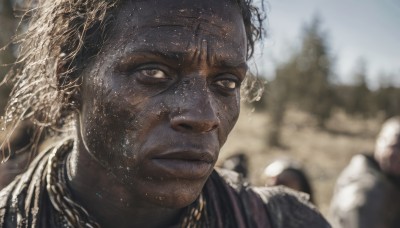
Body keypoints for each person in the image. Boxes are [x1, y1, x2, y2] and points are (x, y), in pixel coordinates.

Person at [0, 0, 331, 227]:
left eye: (226, 82)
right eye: (154, 72)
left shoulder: (282, 221)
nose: (203, 116)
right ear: (69, 77)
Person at [330, 117, 400, 228]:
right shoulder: (365, 190)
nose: (398, 154)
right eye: (394, 146)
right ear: (380, 142)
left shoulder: (389, 179)